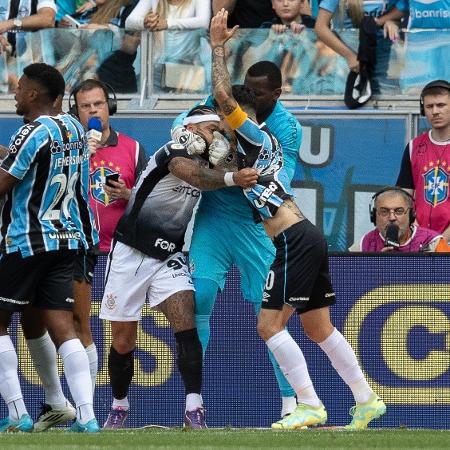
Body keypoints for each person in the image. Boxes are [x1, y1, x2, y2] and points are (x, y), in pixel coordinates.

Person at [210, 8, 386, 430]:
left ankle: (308, 404)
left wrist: (217, 48)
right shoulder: (256, 143)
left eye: (225, 118)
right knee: (318, 327)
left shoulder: (254, 133)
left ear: (243, 115)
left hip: (292, 240)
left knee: (269, 326)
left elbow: (223, 98)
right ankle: (366, 399)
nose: (220, 121)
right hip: (306, 235)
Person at [99, 105, 258, 429]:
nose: (217, 136)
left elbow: (227, 165)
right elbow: (196, 175)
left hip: (168, 257)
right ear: (193, 130)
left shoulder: (211, 160)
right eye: (212, 129)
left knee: (187, 325)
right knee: (123, 341)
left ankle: (194, 408)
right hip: (130, 252)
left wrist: (229, 142)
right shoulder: (173, 150)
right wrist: (231, 177)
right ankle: (119, 405)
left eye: (220, 130)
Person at [173, 60, 303, 423]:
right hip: (212, 220)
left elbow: (278, 182)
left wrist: (229, 163)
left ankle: (292, 403)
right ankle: (193, 403)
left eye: (258, 94)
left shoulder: (283, 130)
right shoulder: (219, 104)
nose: (231, 112)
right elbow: (179, 130)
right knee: (198, 299)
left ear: (274, 96)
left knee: (271, 315)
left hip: (253, 226)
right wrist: (205, 137)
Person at [0, 63, 100, 433]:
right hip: (65, 239)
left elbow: (5, 182)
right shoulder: (73, 127)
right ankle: (87, 418)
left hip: (25, 240)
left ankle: (17, 413)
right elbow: (33, 161)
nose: (15, 91)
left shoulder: (30, 133)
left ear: (34, 95)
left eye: (21, 86)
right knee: (63, 327)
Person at [396, 80, 450, 241]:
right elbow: (403, 198)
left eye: (441, 105)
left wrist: (440, 241)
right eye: (429, 106)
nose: (435, 111)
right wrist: (418, 233)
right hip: (420, 238)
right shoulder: (413, 147)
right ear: (423, 109)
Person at [314, 0, 407, 94]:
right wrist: (350, 57)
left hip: (382, 62)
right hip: (348, 64)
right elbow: (320, 28)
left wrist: (389, 21)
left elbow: (403, 8)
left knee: (388, 104)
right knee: (349, 103)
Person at [350, 187, 450, 252]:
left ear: (411, 216)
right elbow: (345, 282)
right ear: (374, 216)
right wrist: (377, 265)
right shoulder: (363, 246)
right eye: (384, 211)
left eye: (399, 211)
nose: (392, 218)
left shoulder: (433, 243)